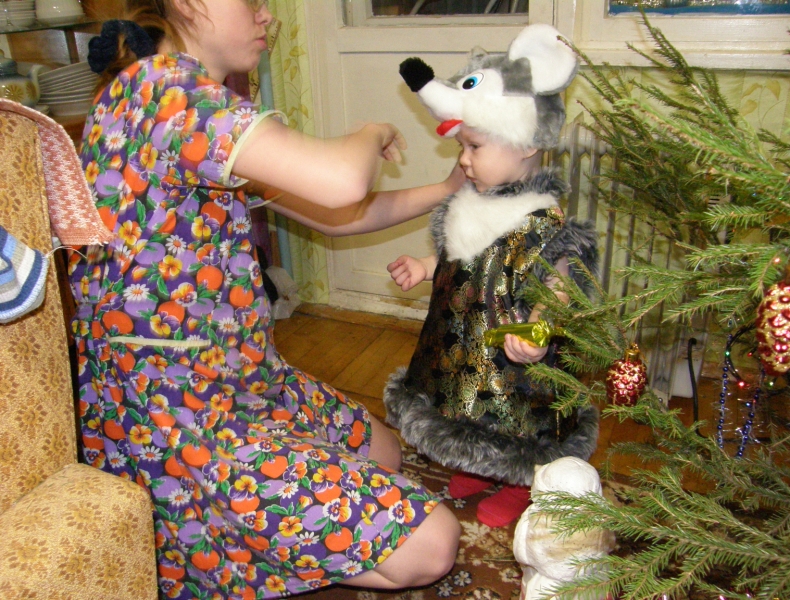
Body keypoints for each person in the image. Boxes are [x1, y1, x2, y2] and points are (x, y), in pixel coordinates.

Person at [68, 1, 463, 598]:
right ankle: (194, 541)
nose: (266, 16)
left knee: (384, 454)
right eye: (251, 0)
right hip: (173, 410)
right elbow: (344, 181)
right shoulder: (166, 92)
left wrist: (448, 189)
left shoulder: (179, 102)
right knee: (432, 545)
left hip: (239, 378)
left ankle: (245, 523)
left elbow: (340, 215)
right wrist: (371, 131)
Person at [382, 24, 601, 529]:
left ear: (524, 145)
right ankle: (479, 464)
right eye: (462, 145)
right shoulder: (468, 204)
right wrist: (424, 267)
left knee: (520, 417)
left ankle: (524, 482)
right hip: (462, 345)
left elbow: (560, 286)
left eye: (474, 146)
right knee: (463, 403)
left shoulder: (542, 219)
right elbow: (462, 262)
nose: (462, 160)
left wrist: (540, 328)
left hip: (514, 353)